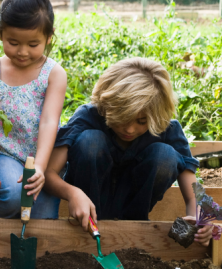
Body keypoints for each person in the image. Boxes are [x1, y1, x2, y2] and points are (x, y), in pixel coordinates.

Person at [41, 58, 214, 245]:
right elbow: (49, 174)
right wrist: (72, 193)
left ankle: (134, 227)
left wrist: (200, 219)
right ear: (107, 106)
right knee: (90, 141)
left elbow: (192, 193)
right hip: (88, 213)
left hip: (136, 212)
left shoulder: (167, 129)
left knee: (165, 155)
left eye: (141, 122)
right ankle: (92, 224)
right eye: (123, 119)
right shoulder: (89, 116)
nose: (130, 130)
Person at [0, 0, 67, 218]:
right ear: (0, 32)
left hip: (43, 155)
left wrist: (41, 168)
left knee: (42, 220)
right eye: (13, 43)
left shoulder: (53, 74)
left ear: (48, 37)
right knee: (13, 195)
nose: (22, 51)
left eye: (33, 44)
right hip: (5, 153)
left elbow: (48, 122)